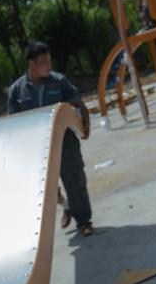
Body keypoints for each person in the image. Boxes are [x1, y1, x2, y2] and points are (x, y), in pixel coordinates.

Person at [8, 42, 94, 236]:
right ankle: (66, 206)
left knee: (75, 182)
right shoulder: (16, 91)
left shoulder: (59, 81)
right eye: (43, 62)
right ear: (30, 64)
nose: (48, 65)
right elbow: (14, 123)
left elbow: (78, 104)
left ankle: (84, 222)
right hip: (37, 148)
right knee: (47, 190)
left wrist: (85, 124)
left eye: (49, 61)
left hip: (66, 143)